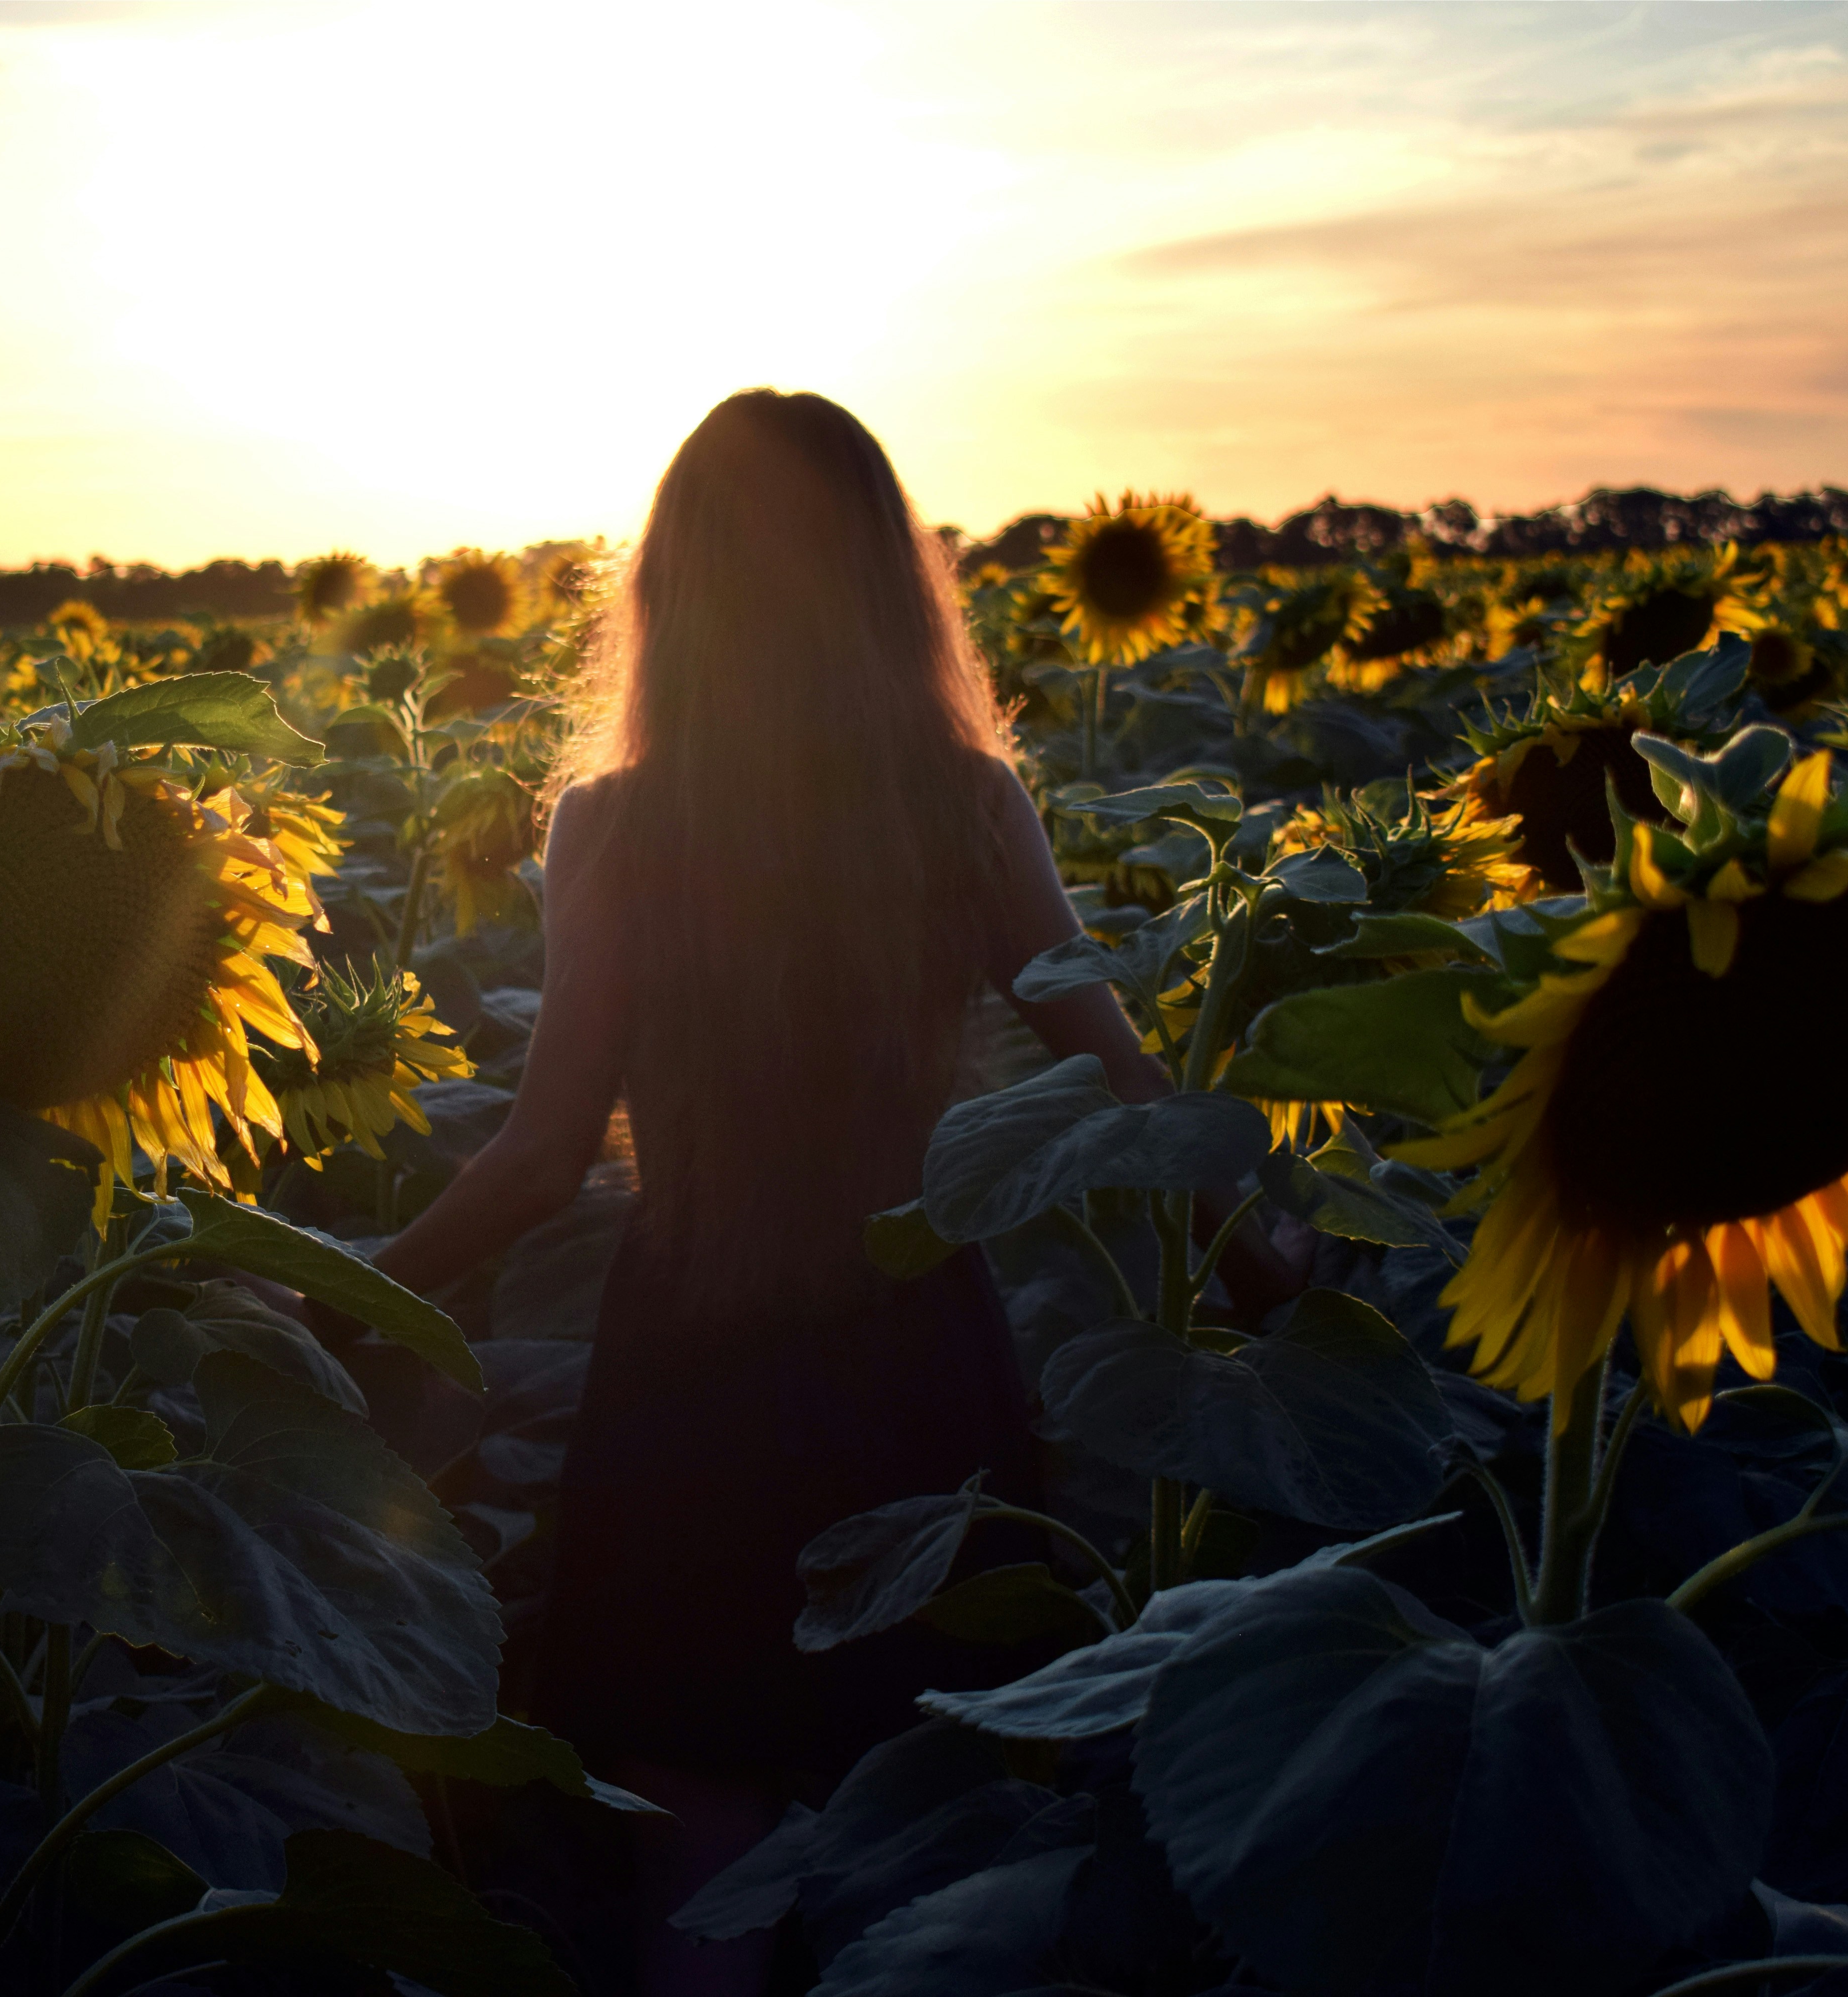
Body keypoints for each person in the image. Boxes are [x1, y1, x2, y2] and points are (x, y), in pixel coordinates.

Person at [326, 390, 1289, 1996]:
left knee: (698, 1851)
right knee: (943, 1840)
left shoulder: (623, 824)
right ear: (883, 579)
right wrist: (1261, 1247)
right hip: (919, 1362)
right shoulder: (963, 804)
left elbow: (543, 1153)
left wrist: (344, 1286)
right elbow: (1130, 1083)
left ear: (671, 586)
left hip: (687, 1378)